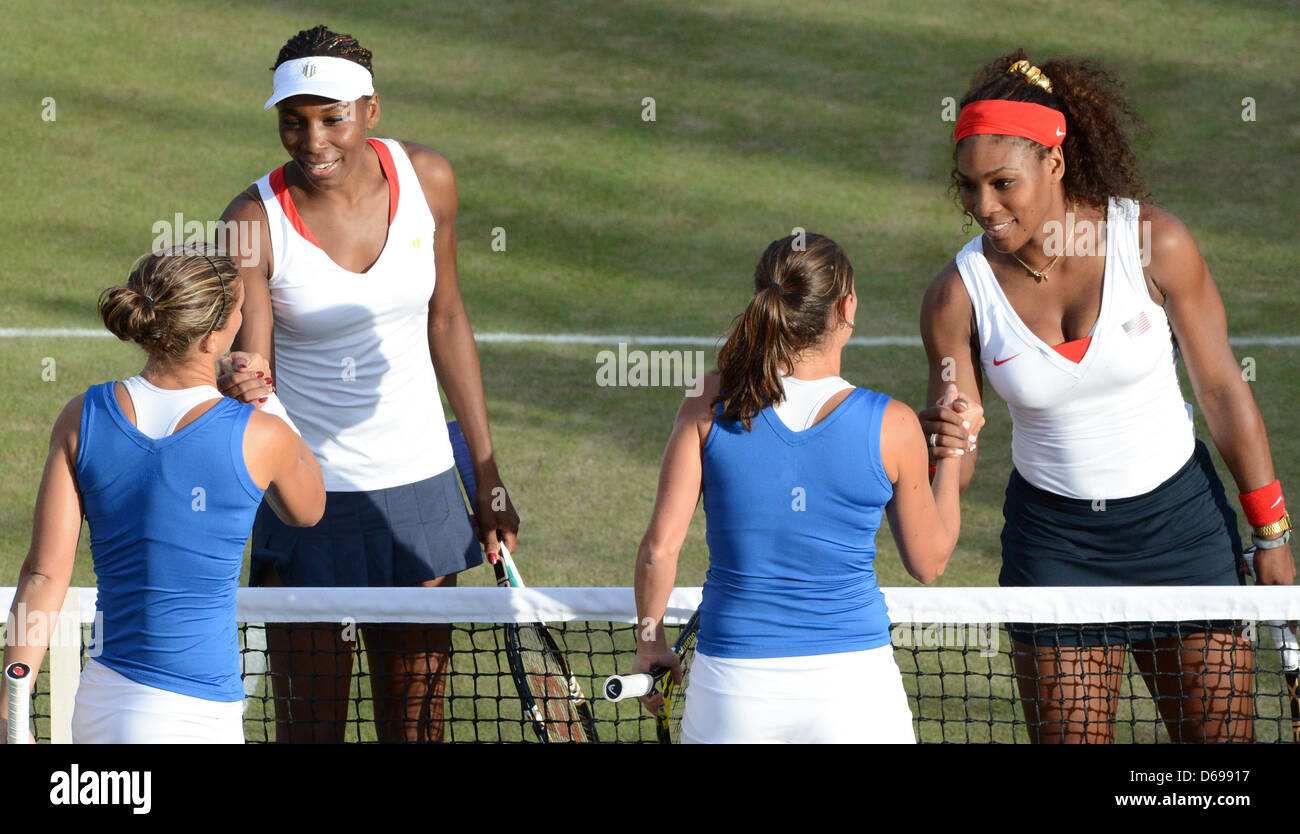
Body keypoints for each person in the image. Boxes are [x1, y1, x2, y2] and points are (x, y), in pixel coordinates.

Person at [919, 51, 1294, 743]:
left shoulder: (1155, 243)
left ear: (1054, 163)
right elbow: (961, 442)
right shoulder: (955, 296)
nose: (984, 207)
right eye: (968, 187)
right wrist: (942, 443)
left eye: (1003, 184)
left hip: (1182, 534)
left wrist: (1272, 533)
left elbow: (1219, 388)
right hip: (1055, 548)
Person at [216, 25, 520, 743]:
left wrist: (487, 473)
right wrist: (240, 376)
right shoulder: (252, 220)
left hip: (420, 490)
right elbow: (258, 363)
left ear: (370, 111)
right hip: (307, 503)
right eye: (295, 121)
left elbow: (447, 319)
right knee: (309, 731)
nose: (313, 139)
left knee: (417, 731)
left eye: (333, 118)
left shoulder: (430, 181)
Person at [632, 233, 983, 743]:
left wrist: (650, 643)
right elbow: (929, 562)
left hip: (733, 692)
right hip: (855, 694)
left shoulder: (708, 401)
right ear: (847, 308)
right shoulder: (894, 424)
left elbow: (658, 550)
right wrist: (954, 450)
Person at [0, 246, 324, 744]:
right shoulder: (261, 436)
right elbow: (309, 508)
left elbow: (44, 575)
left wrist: (8, 709)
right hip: (196, 718)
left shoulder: (81, 416)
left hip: (101, 705)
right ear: (215, 336)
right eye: (239, 310)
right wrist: (264, 395)